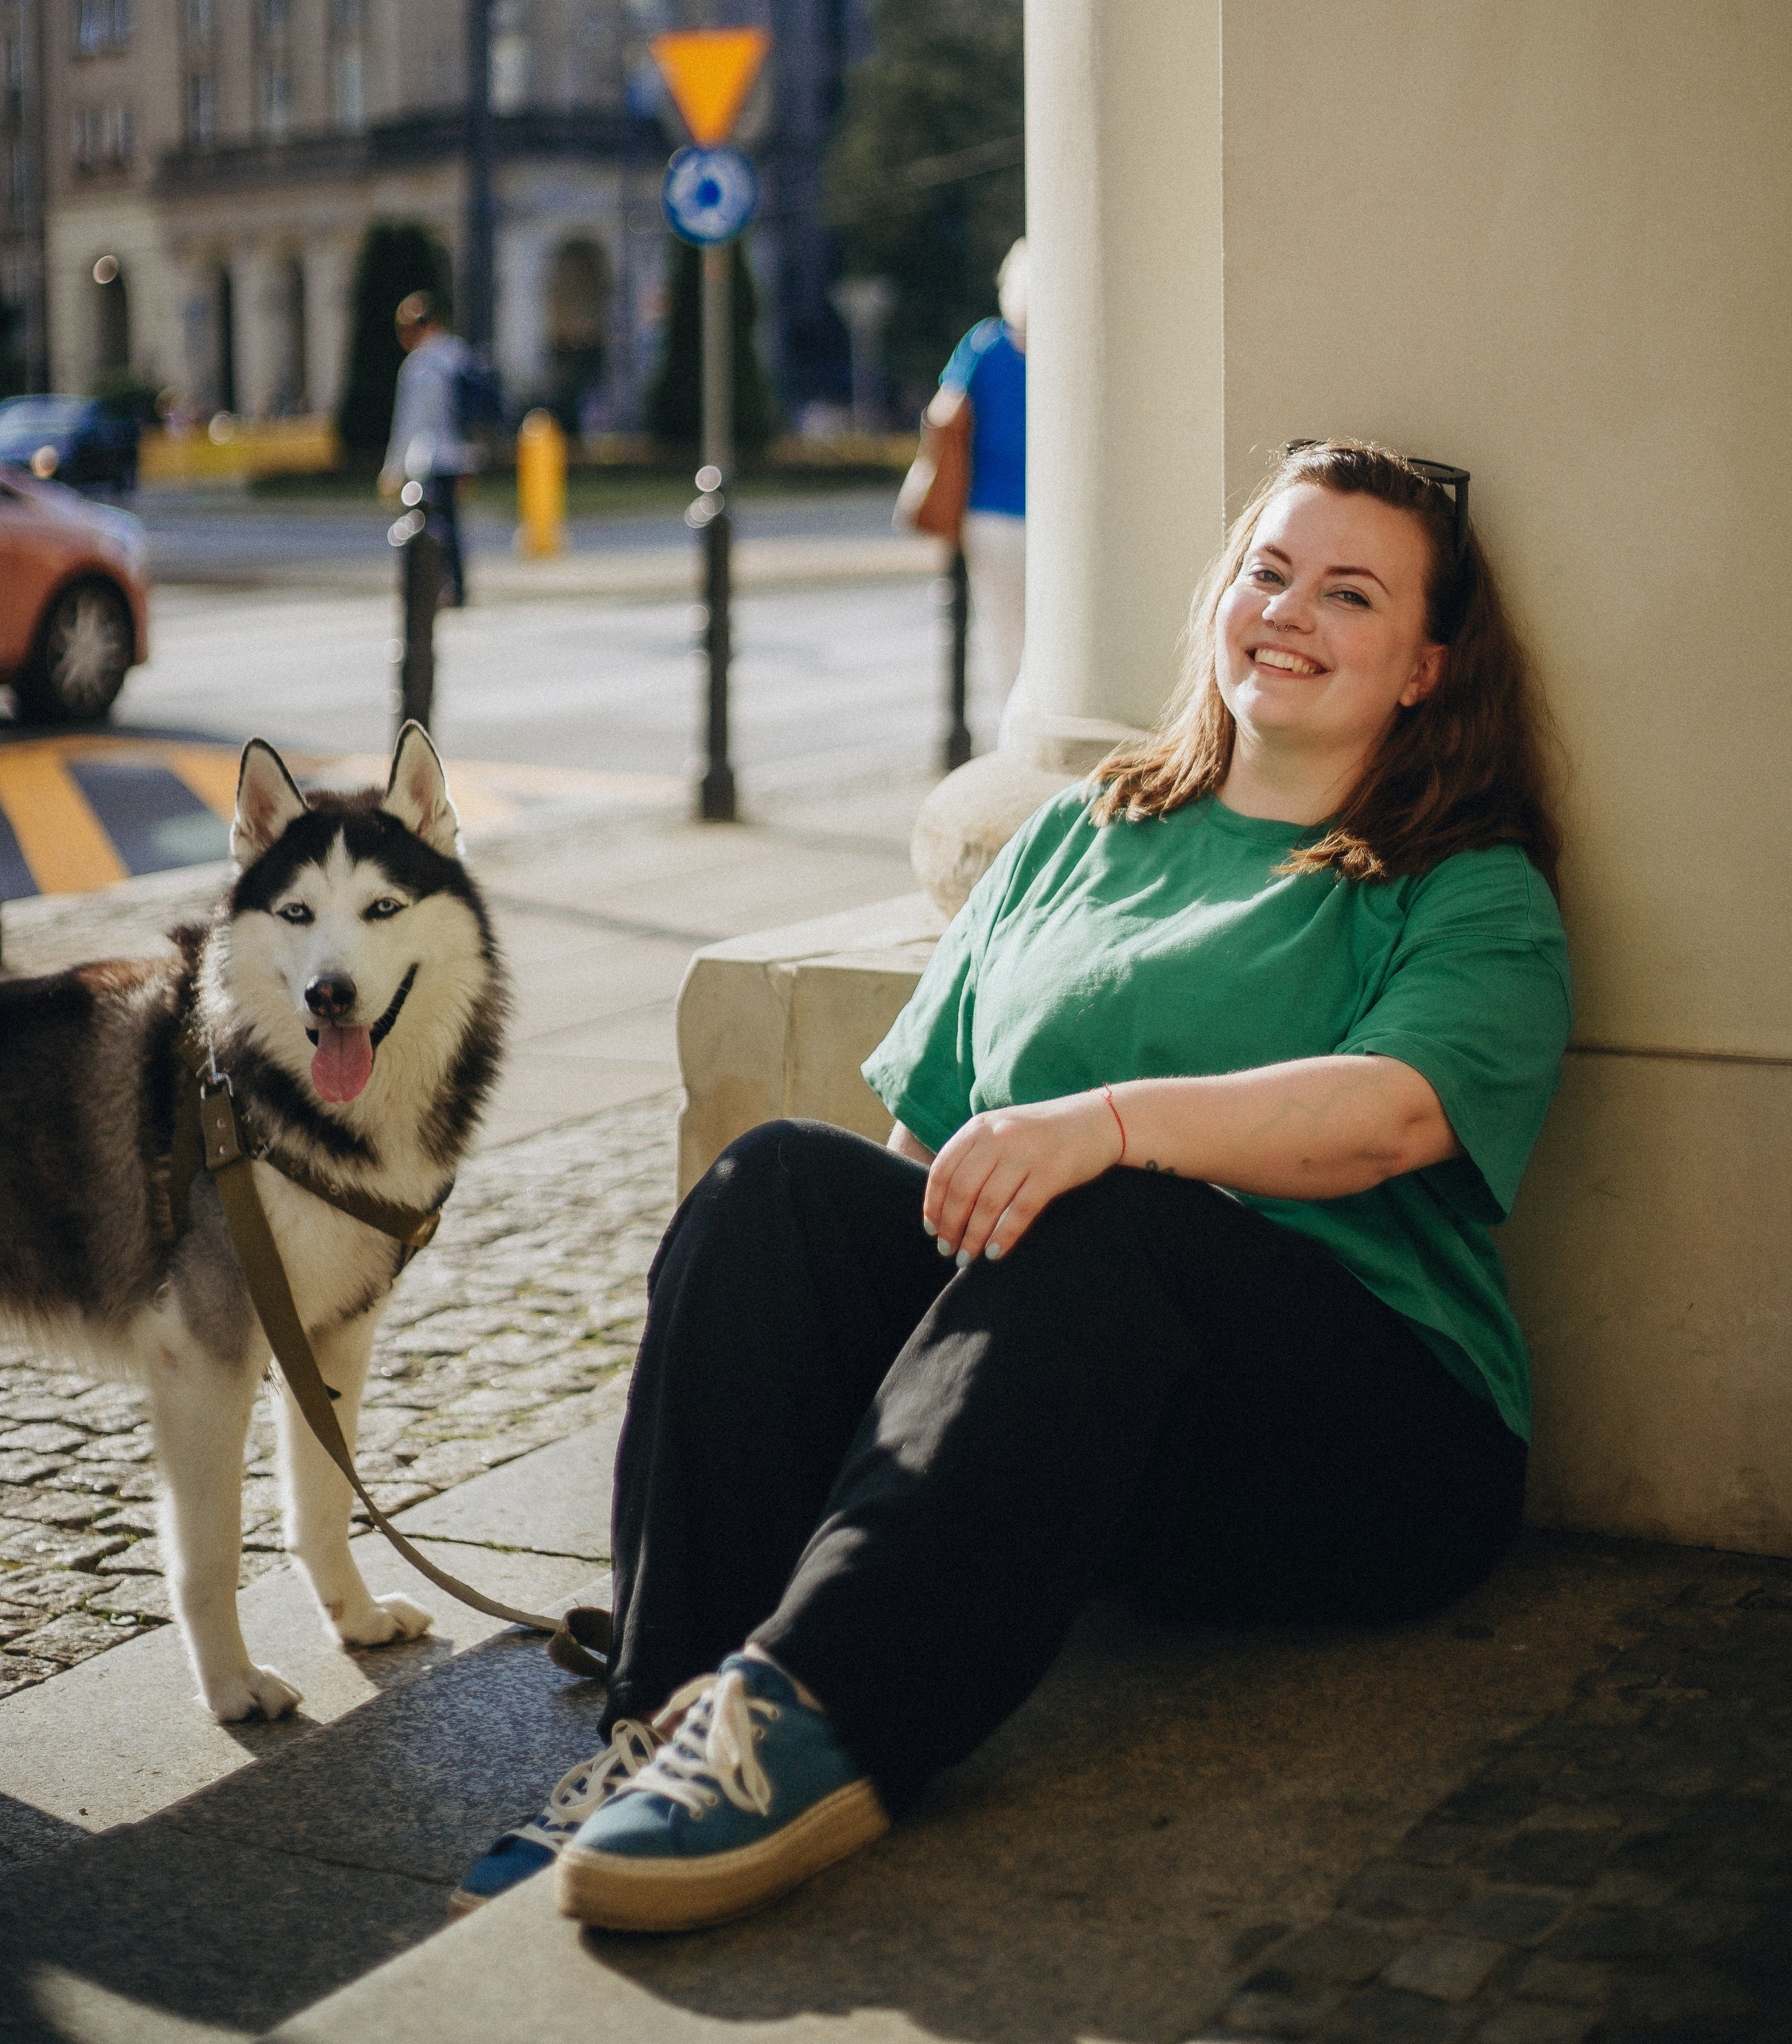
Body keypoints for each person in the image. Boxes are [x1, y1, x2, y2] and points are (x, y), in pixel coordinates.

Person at [456, 439, 1571, 1935]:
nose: (1289, 610)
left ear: (1427, 668)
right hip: (1095, 1434)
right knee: (778, 1185)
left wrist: (1106, 1125)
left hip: (1371, 1454)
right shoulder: (1084, 831)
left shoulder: (1464, 883)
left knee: (1117, 1209)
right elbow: (930, 1163)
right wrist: (860, 1368)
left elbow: (1388, 1118)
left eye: (1349, 593)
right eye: (1268, 570)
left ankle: (811, 1723)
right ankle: (668, 1716)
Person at [939, 239, 1028, 732]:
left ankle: (1013, 736)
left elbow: (943, 413)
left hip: (989, 514)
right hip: (1053, 522)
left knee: (1005, 640)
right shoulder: (1068, 355)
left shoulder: (984, 345)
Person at [379, 290, 476, 608]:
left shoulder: (419, 366)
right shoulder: (460, 356)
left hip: (428, 460)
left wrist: (392, 468)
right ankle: (457, 586)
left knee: (426, 527)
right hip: (457, 457)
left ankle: (432, 585)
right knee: (451, 525)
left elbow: (408, 423)